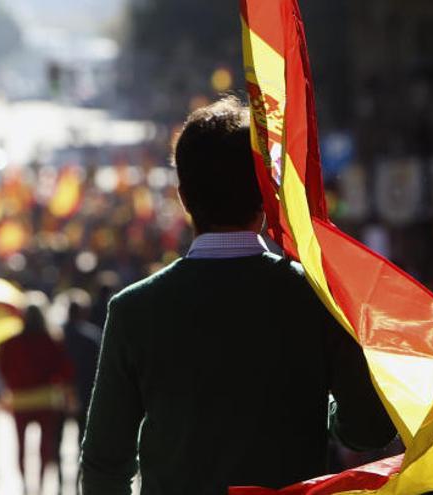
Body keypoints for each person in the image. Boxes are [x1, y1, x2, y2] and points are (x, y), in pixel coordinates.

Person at [80, 97, 396, 493]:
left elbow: (103, 463)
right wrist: (325, 409)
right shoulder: (318, 298)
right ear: (266, 197)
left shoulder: (133, 310)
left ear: (183, 198)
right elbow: (369, 429)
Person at [0, 293, 75, 495]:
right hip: (45, 400)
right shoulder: (52, 340)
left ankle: (25, 483)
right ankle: (39, 485)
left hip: (20, 401)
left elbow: (2, 370)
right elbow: (64, 371)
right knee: (44, 447)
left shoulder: (11, 343)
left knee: (21, 446)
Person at [60, 288, 102, 439]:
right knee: (83, 430)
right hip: (85, 388)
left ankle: (57, 461)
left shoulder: (58, 335)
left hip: (62, 389)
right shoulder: (92, 336)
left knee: (57, 433)